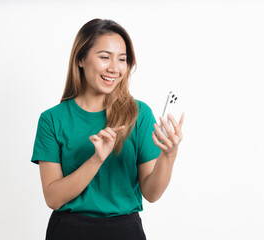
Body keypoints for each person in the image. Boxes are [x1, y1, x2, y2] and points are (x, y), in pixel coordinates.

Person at [30, 18, 184, 240]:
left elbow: (151, 193)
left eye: (122, 59)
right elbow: (53, 199)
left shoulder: (138, 114)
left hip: (125, 231)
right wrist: (96, 159)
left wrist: (169, 155)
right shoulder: (52, 119)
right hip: (69, 231)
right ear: (81, 59)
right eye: (104, 57)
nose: (114, 68)